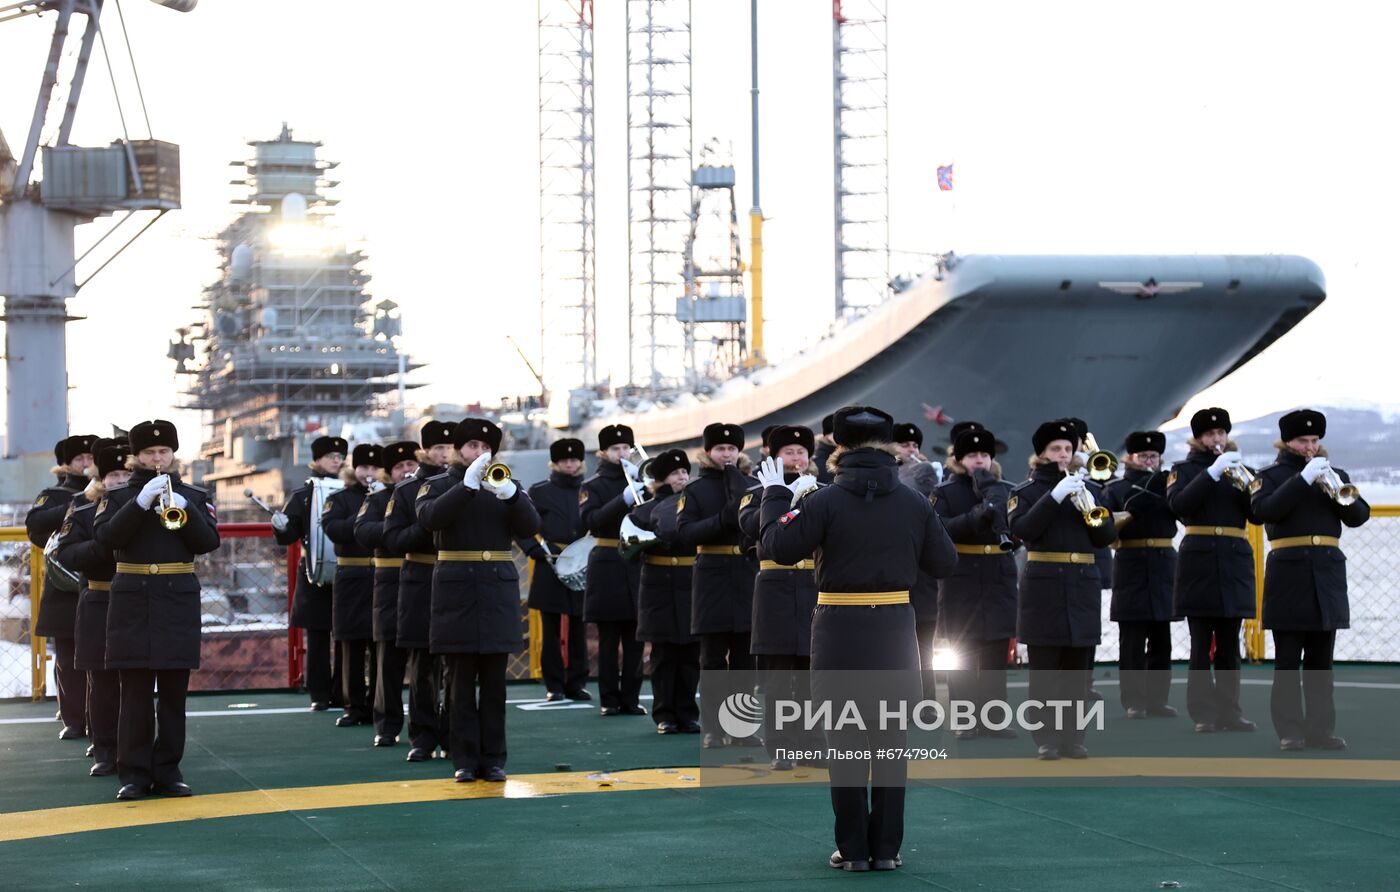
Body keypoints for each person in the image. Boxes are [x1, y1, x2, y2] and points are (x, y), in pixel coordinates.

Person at [758, 405, 956, 872]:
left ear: (838, 448)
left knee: (845, 747)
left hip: (839, 633)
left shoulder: (823, 500)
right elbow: (944, 564)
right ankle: (887, 849)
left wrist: (774, 496)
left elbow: (776, 548)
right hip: (894, 632)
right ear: (889, 447)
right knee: (890, 745)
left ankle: (853, 851)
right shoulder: (912, 501)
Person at [92, 420, 220, 800]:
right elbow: (105, 541)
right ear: (136, 456)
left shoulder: (194, 496)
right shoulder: (115, 498)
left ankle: (168, 771)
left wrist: (185, 509)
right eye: (149, 453)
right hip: (132, 599)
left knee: (173, 695)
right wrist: (139, 502)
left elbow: (208, 542)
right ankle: (132, 773)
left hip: (176, 598)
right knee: (133, 693)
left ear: (173, 454)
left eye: (164, 452)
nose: (158, 458)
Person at [416, 417, 540, 782]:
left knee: (494, 684)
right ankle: (464, 760)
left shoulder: (507, 484)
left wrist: (513, 497)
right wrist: (466, 488)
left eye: (486, 449)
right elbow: (429, 519)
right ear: (459, 450)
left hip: (496, 591)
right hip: (456, 591)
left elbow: (531, 526)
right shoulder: (437, 484)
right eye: (472, 447)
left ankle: (494, 759)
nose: (480, 454)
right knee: (459, 682)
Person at [1251, 409, 1370, 751]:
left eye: (1315, 440)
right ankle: (1290, 731)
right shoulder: (1269, 476)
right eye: (1303, 441)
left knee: (1321, 662)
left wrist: (1332, 485)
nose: (1310, 446)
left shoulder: (1335, 474)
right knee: (1288, 659)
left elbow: (1359, 516)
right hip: (1288, 575)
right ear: (1287, 441)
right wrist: (1302, 480)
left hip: (1326, 574)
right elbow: (1263, 512)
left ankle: (1321, 730)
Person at [1009, 419, 1118, 760]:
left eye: (1068, 449)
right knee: (1044, 671)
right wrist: (1054, 497)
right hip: (1044, 586)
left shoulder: (1090, 492)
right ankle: (1046, 739)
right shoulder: (1024, 493)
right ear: (1041, 453)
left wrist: (1088, 505)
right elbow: (1024, 530)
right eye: (1056, 449)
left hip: (1082, 584)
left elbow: (1104, 538)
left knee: (1078, 671)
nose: (1063, 454)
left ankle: (1074, 738)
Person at [1166, 408, 1258, 734]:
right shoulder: (1184, 470)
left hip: (1233, 560)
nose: (1216, 439)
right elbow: (1179, 506)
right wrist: (1211, 474)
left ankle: (1230, 711)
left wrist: (1247, 483)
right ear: (1198, 437)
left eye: (1221, 433)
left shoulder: (1241, 471)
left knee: (1230, 644)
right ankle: (1203, 713)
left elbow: (1258, 514)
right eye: (1210, 434)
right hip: (1199, 562)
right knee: (1201, 642)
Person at [739, 425, 822, 769]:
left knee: (811, 674)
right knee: (776, 676)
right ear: (773, 457)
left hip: (813, 586)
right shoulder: (756, 493)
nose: (797, 457)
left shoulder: (822, 492)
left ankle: (812, 745)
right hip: (774, 588)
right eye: (789, 452)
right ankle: (781, 748)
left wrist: (811, 497)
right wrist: (783, 497)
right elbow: (750, 525)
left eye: (802, 452)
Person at [676, 422, 759, 748]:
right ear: (708, 451)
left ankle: (741, 728)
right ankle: (711, 727)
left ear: (740, 451)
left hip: (745, 572)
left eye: (732, 449)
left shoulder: (752, 485)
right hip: (710, 573)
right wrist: (722, 520)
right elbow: (686, 534)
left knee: (744, 660)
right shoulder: (695, 490)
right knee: (711, 659)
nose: (726, 454)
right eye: (720, 449)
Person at [931, 426, 1018, 739]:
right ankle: (965, 720)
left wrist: (998, 509)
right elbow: (942, 530)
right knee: (963, 654)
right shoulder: (946, 492)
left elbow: (1018, 529)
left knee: (995, 654)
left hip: (998, 574)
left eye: (984, 455)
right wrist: (979, 514)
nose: (979, 460)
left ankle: (995, 719)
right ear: (959, 459)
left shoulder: (1005, 488)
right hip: (962, 577)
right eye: (971, 455)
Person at [53, 437, 131, 776]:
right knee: (100, 682)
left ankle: (136, 750)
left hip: (137, 601)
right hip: (99, 598)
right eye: (112, 475)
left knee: (138, 683)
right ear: (100, 477)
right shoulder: (82, 508)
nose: (119, 482)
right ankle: (105, 749)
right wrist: (102, 545)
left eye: (125, 475)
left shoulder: (146, 508)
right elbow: (67, 552)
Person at [382, 420, 455, 761]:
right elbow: (393, 539)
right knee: (423, 663)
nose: (443, 454)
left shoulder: (470, 486)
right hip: (421, 576)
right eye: (437, 448)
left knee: (459, 662)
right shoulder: (406, 491)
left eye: (448, 448)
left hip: (458, 576)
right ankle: (423, 737)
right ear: (424, 451)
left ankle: (456, 732)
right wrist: (427, 528)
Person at [1100, 431, 1179, 719]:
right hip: (1130, 560)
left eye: (1153, 456)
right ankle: (1134, 701)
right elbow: (1107, 527)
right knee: (1131, 639)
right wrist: (1138, 501)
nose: (1149, 461)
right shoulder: (1116, 489)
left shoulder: (1169, 485)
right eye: (1143, 456)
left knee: (1161, 637)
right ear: (1131, 457)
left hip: (1163, 563)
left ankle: (1158, 700)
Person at [27, 433, 99, 740]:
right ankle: (73, 718)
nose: (85, 464)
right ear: (65, 465)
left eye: (90, 459)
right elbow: (35, 525)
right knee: (68, 656)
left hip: (97, 582)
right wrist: (78, 503)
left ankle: (99, 718)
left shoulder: (111, 490)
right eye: (79, 459)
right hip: (66, 586)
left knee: (100, 655)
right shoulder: (54, 495)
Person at [628, 448, 702, 734]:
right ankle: (664, 714)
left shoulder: (696, 507)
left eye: (684, 471)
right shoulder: (642, 511)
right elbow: (629, 553)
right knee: (663, 655)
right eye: (674, 473)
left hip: (690, 581)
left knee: (690, 654)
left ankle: (688, 713)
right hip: (658, 584)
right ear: (660, 480)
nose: (682, 477)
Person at [272, 435, 348, 710]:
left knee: (346, 635)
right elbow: (290, 533)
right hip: (314, 572)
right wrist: (281, 526)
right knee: (317, 635)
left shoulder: (349, 490)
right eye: (331, 457)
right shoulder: (304, 495)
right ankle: (319, 694)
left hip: (346, 572)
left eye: (340, 458)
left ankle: (344, 692)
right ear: (316, 461)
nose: (336, 461)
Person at [353, 439, 419, 747]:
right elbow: (362, 531)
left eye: (410, 464)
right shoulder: (379, 500)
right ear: (389, 473)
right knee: (387, 658)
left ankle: (425, 724)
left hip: (420, 578)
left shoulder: (429, 491)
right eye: (399, 467)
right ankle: (387, 724)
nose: (407, 471)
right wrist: (397, 530)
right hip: (390, 579)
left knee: (425, 659)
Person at [580, 425, 647, 716]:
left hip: (636, 563)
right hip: (607, 560)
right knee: (608, 638)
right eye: (616, 449)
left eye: (626, 448)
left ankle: (631, 699)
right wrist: (623, 500)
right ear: (604, 452)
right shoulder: (592, 485)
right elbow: (591, 521)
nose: (622, 454)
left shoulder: (642, 479)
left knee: (635, 637)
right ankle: (608, 699)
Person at [517, 438, 590, 702]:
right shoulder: (540, 491)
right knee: (550, 627)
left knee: (579, 626)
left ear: (581, 462)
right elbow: (521, 521)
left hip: (582, 562)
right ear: (555, 463)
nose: (569, 464)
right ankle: (554, 685)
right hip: (551, 561)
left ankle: (577, 683)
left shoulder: (589, 489)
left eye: (574, 460)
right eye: (564, 461)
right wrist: (531, 549)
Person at [323, 443, 383, 728]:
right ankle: (353, 706)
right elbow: (332, 528)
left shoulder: (389, 497)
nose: (368, 473)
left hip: (380, 576)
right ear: (353, 469)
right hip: (350, 576)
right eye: (363, 467)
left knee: (380, 644)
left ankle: (377, 705)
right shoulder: (341, 498)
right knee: (350, 644)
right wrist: (365, 517)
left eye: (373, 468)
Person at [892, 421, 942, 693]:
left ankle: (927, 700)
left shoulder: (926, 473)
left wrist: (930, 475)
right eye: (904, 444)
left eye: (914, 445)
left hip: (921, 572)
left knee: (924, 640)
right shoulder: (888, 475)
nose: (911, 449)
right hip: (895, 567)